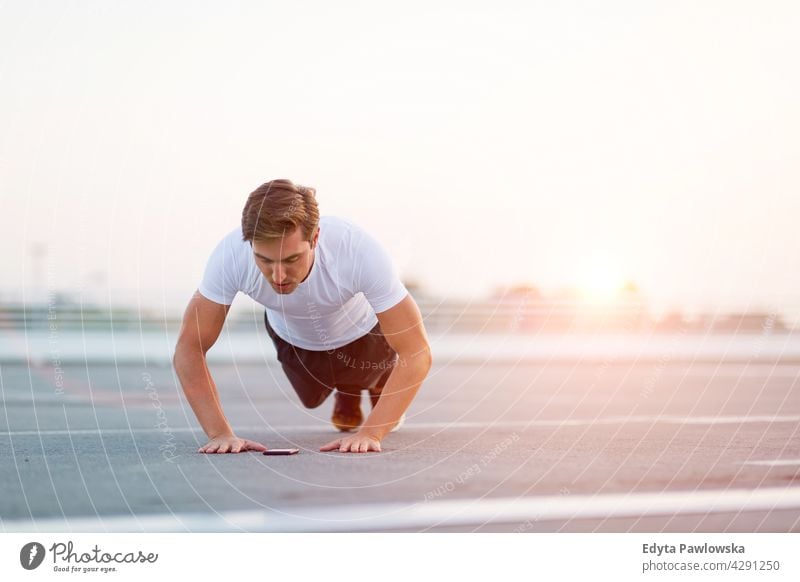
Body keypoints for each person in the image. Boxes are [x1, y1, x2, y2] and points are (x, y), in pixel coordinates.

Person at [173, 179, 432, 454]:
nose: (278, 276)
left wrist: (372, 433)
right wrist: (219, 434)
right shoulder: (230, 257)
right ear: (248, 243)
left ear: (315, 238)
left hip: (363, 333)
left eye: (291, 260)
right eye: (265, 260)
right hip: (293, 336)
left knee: (365, 374)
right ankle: (348, 390)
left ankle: (367, 384)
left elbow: (417, 351)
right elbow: (189, 347)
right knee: (311, 398)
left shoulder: (357, 249)